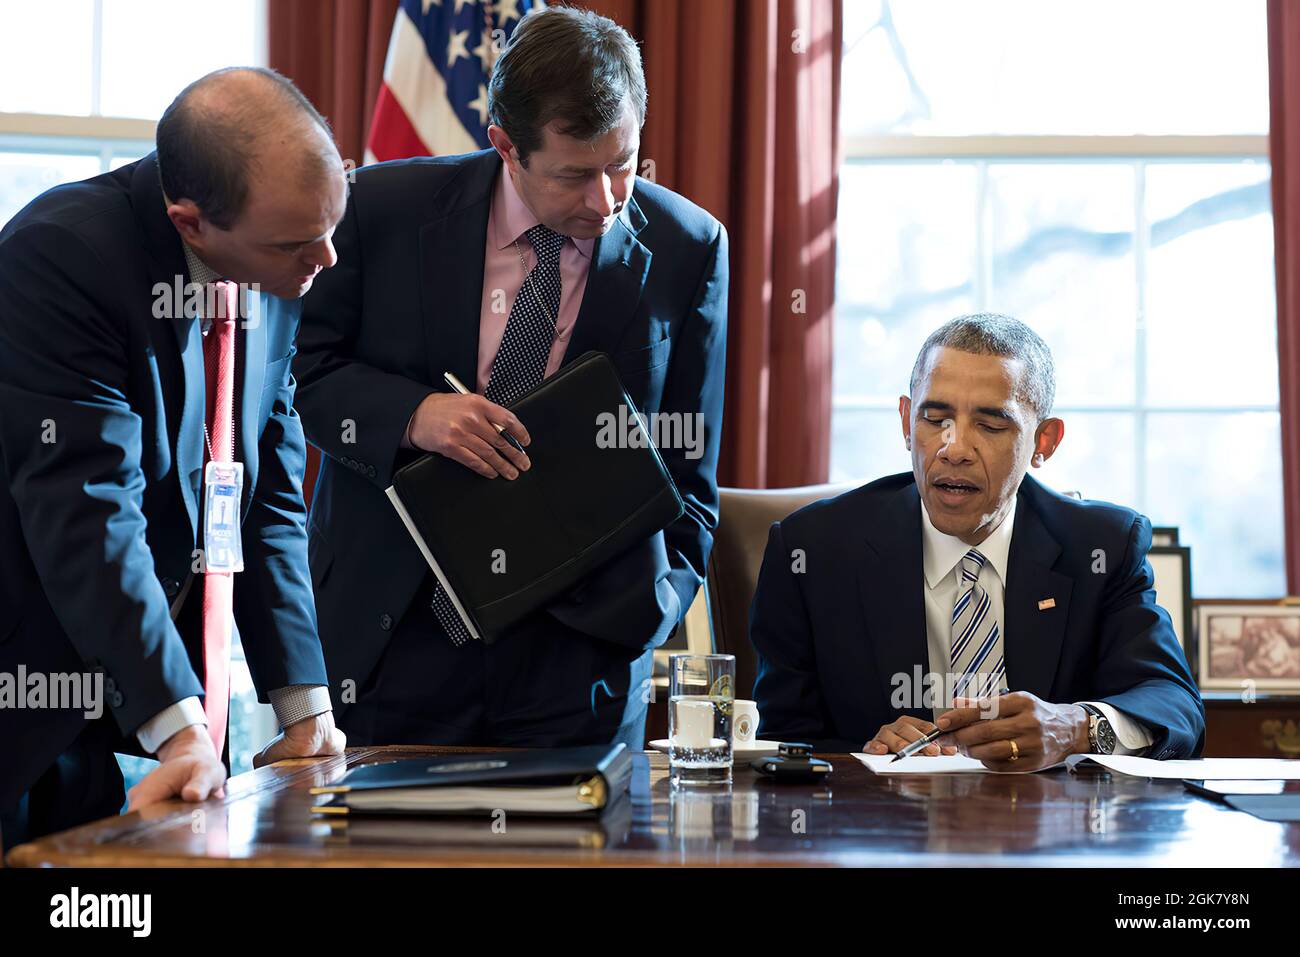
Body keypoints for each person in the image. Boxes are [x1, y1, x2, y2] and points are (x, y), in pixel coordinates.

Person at [294, 6, 728, 750]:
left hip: (581, 654)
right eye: (574, 174)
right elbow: (309, 378)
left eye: (621, 162)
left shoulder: (691, 247)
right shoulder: (379, 210)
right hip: (394, 632)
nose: (606, 201)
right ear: (505, 146)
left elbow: (690, 471)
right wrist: (415, 414)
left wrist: (652, 604)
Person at [0, 68, 347, 846]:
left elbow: (267, 495)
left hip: (179, 706)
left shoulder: (283, 252)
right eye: (298, 243)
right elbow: (90, 509)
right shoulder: (61, 256)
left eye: (333, 225)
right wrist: (178, 725)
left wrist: (303, 704)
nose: (324, 259)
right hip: (40, 704)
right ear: (191, 223)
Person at [751, 314, 1204, 769]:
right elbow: (782, 740)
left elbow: (1175, 710)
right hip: (885, 830)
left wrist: (1074, 728)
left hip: (1053, 828)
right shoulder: (814, 550)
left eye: (990, 426)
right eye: (935, 418)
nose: (954, 448)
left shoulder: (1101, 548)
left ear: (1043, 441)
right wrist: (860, 755)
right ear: (908, 422)